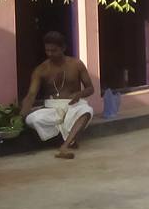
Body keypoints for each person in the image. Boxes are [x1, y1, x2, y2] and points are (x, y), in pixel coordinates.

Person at [19, 31, 95, 159]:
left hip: (74, 105)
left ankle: (64, 146)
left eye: (54, 50)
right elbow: (31, 95)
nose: (50, 54)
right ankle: (69, 139)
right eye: (47, 50)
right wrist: (20, 117)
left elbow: (90, 89)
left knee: (87, 111)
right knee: (32, 119)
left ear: (63, 48)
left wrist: (79, 94)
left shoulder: (76, 64)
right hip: (52, 108)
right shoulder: (41, 69)